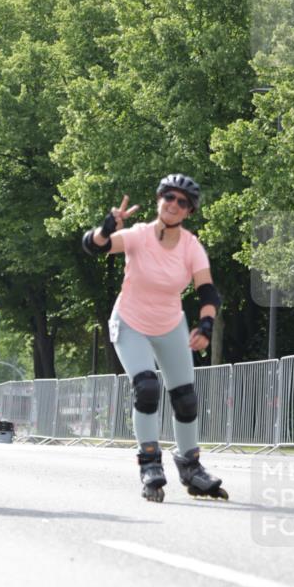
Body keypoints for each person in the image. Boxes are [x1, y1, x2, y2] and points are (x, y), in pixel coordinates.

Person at [82, 173, 228, 502]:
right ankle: (149, 462)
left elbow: (208, 293)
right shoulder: (139, 235)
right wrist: (106, 228)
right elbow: (93, 246)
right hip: (130, 321)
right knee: (147, 388)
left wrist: (205, 327)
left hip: (170, 324)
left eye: (182, 202)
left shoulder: (191, 247)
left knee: (185, 398)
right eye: (169, 198)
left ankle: (190, 466)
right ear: (159, 199)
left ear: (189, 211)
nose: (174, 205)